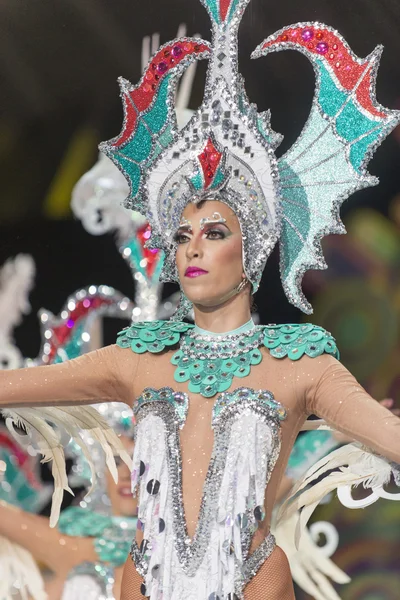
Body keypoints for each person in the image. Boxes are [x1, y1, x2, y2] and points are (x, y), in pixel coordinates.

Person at [1, 1, 400, 599]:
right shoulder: (136, 360)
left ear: (255, 248)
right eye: (182, 236)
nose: (192, 250)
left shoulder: (302, 366)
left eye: (215, 233)